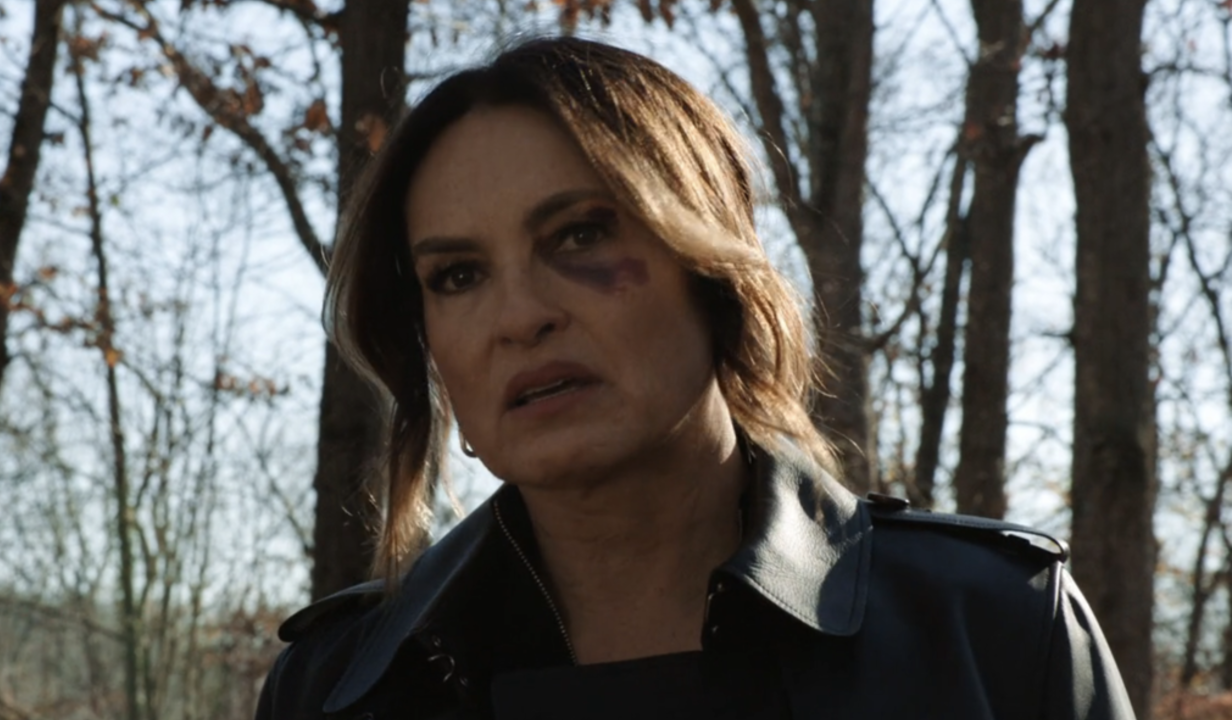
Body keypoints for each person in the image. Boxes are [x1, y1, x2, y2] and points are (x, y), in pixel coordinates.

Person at [254, 36, 1135, 720]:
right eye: (457, 275)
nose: (519, 316)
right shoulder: (335, 686)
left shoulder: (992, 626)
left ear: (711, 272)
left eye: (579, 234)